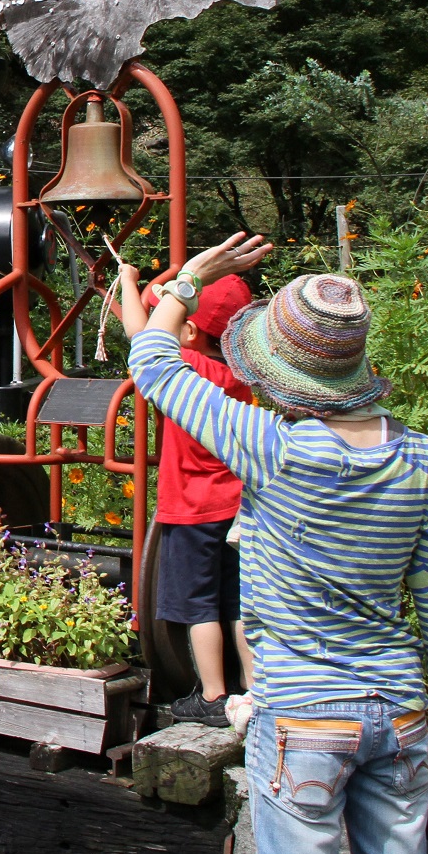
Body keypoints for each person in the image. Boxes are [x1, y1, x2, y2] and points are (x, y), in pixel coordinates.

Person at [118, 235, 428, 854]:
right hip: (398, 712)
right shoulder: (419, 456)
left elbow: (151, 362)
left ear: (280, 366)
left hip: (302, 713)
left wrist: (188, 282)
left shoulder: (270, 445)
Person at [141, 271, 256, 726]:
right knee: (239, 601)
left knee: (199, 605)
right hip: (239, 506)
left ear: (188, 329)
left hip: (191, 508)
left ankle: (212, 697)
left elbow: (144, 333)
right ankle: (253, 689)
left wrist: (132, 281)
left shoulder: (185, 369)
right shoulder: (238, 377)